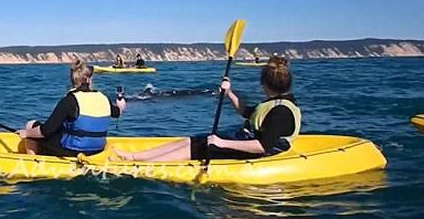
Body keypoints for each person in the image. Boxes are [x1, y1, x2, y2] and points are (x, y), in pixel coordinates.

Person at [112, 56, 300, 161]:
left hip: (262, 152)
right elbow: (246, 112)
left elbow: (262, 146)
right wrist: (229, 93)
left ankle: (139, 166)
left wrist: (222, 143)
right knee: (193, 140)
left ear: (263, 84)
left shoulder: (280, 112)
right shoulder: (273, 104)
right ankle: (134, 156)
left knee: (201, 145)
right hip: (245, 140)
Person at [17, 60, 126, 156]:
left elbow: (46, 130)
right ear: (88, 80)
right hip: (97, 150)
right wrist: (121, 106)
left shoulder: (69, 100)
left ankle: (33, 160)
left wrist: (26, 133)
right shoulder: (104, 98)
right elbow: (117, 113)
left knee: (31, 125)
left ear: (72, 79)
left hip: (72, 151)